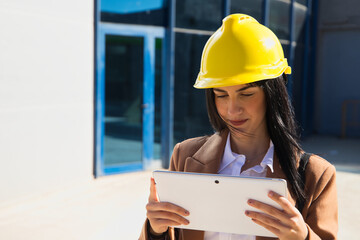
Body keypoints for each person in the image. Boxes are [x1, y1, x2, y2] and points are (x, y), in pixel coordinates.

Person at [139, 14, 338, 240]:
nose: (231, 110)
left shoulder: (315, 175)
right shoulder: (185, 156)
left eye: (246, 94)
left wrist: (303, 237)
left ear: (274, 93)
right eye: (220, 94)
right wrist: (155, 231)